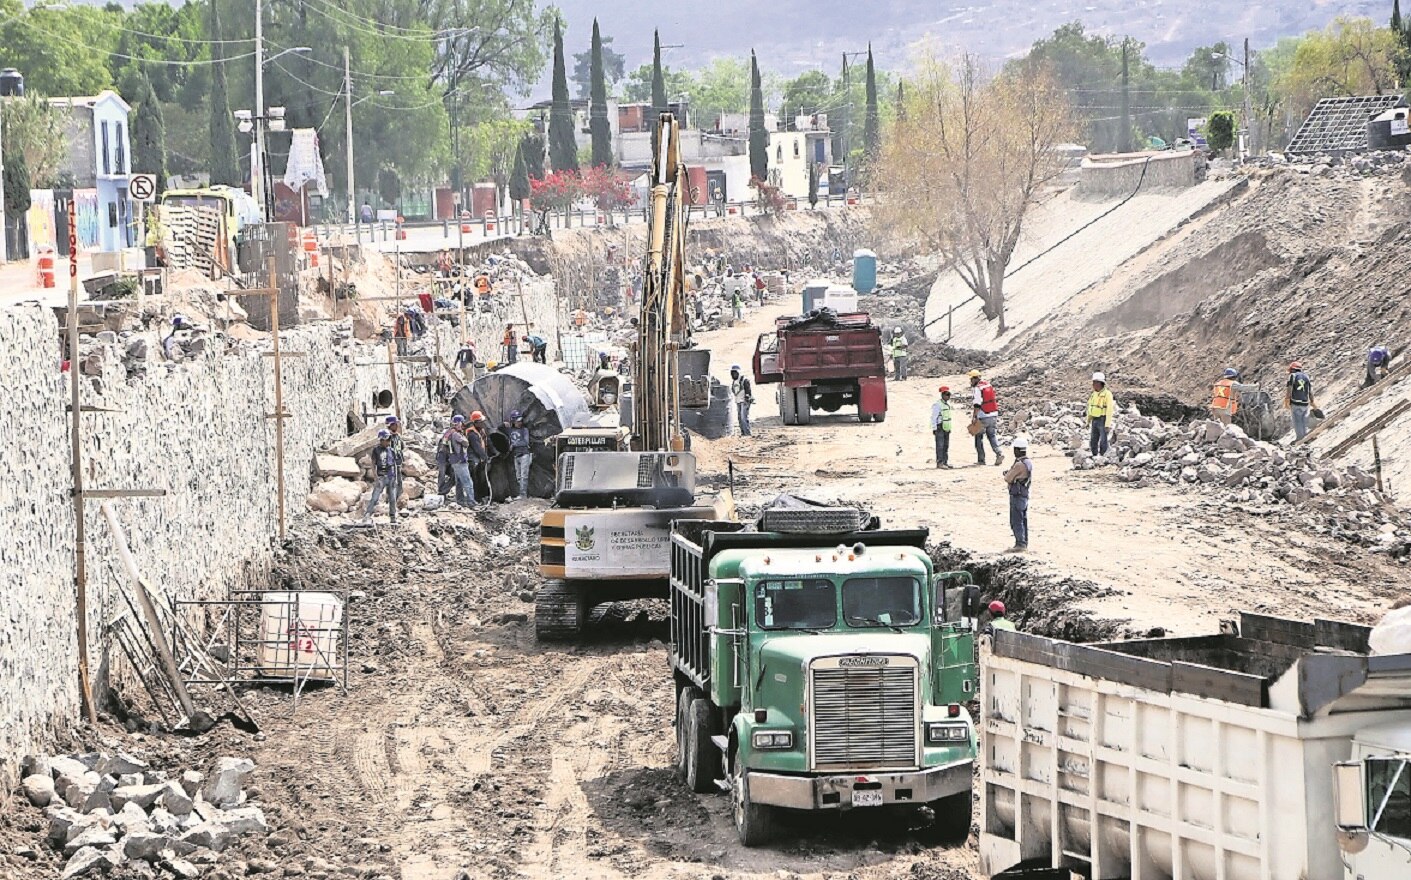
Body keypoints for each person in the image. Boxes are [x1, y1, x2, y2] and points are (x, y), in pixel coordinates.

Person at [1002, 434, 1032, 552]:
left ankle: (1020, 544)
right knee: (1023, 519)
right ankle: (1023, 542)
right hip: (1024, 494)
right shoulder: (1028, 462)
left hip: (1017, 494)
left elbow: (1008, 478)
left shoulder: (1019, 464)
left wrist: (1008, 474)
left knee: (1016, 520)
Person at [363, 430, 399, 524]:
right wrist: (376, 478)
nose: (388, 442)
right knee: (375, 497)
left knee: (392, 498)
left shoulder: (391, 450)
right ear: (381, 440)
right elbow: (373, 464)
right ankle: (367, 515)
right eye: (387, 440)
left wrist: (395, 478)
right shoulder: (376, 450)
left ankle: (393, 517)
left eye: (389, 440)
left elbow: (394, 464)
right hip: (381, 477)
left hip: (391, 477)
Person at [969, 370, 1003, 466]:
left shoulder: (977, 388)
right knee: (992, 435)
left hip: (983, 415)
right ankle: (999, 453)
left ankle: (981, 460)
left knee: (978, 437)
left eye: (971, 379)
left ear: (975, 378)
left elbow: (977, 404)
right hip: (993, 414)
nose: (970, 381)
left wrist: (974, 417)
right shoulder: (988, 385)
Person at [446, 415, 477, 508]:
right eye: (462, 423)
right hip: (460, 461)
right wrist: (464, 435)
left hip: (454, 461)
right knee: (468, 482)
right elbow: (466, 443)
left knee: (459, 482)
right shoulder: (456, 434)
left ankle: (460, 500)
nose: (463, 425)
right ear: (458, 423)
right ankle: (472, 502)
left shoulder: (450, 433)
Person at [1086, 372, 1116, 456]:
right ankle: (1094, 455)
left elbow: (1109, 409)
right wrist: (1088, 421)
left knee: (1103, 440)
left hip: (1103, 419)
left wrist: (1107, 424)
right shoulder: (1093, 394)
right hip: (1094, 419)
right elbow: (1090, 408)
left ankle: (1103, 456)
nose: (1093, 384)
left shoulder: (1107, 394)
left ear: (1100, 383)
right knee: (1093, 440)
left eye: (1095, 382)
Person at [1285, 361, 1316, 441]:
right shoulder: (1306, 377)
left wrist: (1287, 399)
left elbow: (1290, 388)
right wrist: (1312, 401)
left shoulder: (1292, 376)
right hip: (1305, 403)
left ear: (1292, 369)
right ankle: (1306, 438)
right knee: (1304, 421)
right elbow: (1310, 391)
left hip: (1295, 402)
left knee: (1297, 421)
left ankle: (1300, 439)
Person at [505, 410, 533, 499]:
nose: (519, 423)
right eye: (517, 421)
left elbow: (526, 442)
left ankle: (523, 494)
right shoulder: (510, 430)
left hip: (525, 454)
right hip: (516, 455)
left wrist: (513, 445)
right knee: (518, 477)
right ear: (513, 421)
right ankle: (520, 494)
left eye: (520, 421)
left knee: (524, 476)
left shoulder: (525, 430)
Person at [468, 410, 492, 507]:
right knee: (475, 479)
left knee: (480, 478)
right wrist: (485, 458)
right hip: (473, 460)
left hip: (479, 459)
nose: (483, 423)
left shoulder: (481, 431)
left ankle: (481, 496)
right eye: (481, 421)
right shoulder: (472, 434)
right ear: (476, 422)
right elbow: (477, 448)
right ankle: (476, 499)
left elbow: (487, 443)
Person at [931, 386, 954, 468]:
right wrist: (934, 428)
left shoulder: (947, 405)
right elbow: (933, 417)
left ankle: (945, 462)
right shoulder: (937, 405)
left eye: (949, 394)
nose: (948, 396)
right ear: (942, 395)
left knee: (945, 446)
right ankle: (940, 463)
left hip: (946, 427)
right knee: (940, 446)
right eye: (947, 395)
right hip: (939, 427)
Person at [385, 415, 406, 507]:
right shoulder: (387, 438)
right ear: (390, 425)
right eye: (395, 424)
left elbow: (402, 446)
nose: (397, 426)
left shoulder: (397, 436)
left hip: (397, 462)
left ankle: (398, 499)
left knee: (399, 481)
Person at [730, 364, 754, 437]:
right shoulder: (734, 382)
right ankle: (743, 433)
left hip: (744, 401)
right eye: (733, 373)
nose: (734, 374)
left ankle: (747, 433)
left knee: (744, 418)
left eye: (735, 373)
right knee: (740, 418)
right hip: (738, 401)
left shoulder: (744, 380)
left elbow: (748, 390)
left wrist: (747, 396)